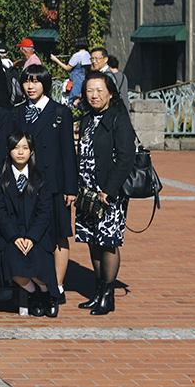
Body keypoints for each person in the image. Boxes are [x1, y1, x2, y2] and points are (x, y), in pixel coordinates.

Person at [74, 72, 137, 315]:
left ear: (110, 93)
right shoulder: (87, 119)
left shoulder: (119, 118)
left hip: (108, 193)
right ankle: (98, 291)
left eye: (100, 90)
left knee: (108, 242)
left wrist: (109, 190)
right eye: (90, 90)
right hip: (87, 193)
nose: (95, 95)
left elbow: (126, 158)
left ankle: (108, 295)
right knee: (93, 241)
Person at [17, 63, 77, 306]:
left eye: (36, 81)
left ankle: (57, 286)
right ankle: (36, 284)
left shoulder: (60, 112)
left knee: (59, 233)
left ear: (46, 84)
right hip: (26, 183)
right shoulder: (18, 112)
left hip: (54, 185)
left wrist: (70, 188)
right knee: (31, 232)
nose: (30, 86)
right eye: (26, 81)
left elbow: (68, 153)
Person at [0, 131, 57, 319]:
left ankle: (46, 293)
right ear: (8, 150)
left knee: (38, 261)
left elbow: (44, 213)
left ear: (32, 151)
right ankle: (33, 294)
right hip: (11, 233)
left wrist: (31, 237)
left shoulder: (42, 178)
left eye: (25, 148)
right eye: (15, 148)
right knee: (14, 263)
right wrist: (15, 236)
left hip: (36, 233)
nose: (20, 152)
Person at [49, 37, 91, 106]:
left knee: (72, 99)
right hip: (84, 79)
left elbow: (67, 68)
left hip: (75, 80)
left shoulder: (77, 55)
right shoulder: (88, 54)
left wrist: (55, 59)